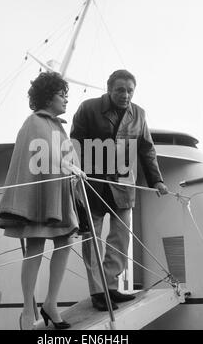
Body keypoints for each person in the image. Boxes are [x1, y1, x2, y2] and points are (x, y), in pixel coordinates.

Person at [70, 69, 168, 311]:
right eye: (120, 90)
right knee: (92, 239)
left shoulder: (139, 114)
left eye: (130, 91)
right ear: (109, 88)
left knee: (120, 238)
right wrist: (77, 172)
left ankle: (111, 286)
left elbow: (146, 149)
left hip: (123, 183)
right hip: (92, 182)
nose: (126, 95)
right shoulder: (88, 108)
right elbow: (74, 142)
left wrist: (157, 180)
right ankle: (98, 292)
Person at [0, 72, 84, 330]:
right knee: (35, 245)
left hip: (57, 192)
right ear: (47, 97)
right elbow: (42, 156)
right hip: (39, 194)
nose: (66, 99)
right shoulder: (34, 122)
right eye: (61, 94)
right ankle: (27, 309)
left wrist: (74, 168)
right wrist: (69, 165)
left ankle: (51, 304)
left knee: (65, 242)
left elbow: (65, 156)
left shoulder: (58, 126)